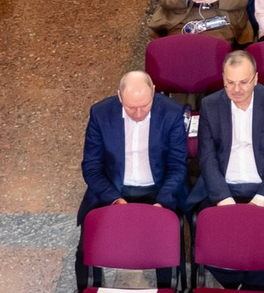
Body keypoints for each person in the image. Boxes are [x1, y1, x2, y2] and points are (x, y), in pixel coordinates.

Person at [193, 52, 264, 212]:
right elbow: (207, 156)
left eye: (244, 82)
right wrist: (224, 199)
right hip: (223, 185)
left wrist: (259, 201)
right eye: (230, 82)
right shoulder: (210, 105)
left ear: (255, 79)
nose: (237, 90)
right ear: (223, 78)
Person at [81, 72, 189, 217]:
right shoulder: (101, 114)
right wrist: (114, 200)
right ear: (120, 96)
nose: (138, 114)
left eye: (145, 106)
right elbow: (91, 167)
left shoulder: (172, 112)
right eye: (131, 107)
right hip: (113, 190)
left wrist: (162, 201)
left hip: (159, 190)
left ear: (153, 91)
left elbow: (177, 165)